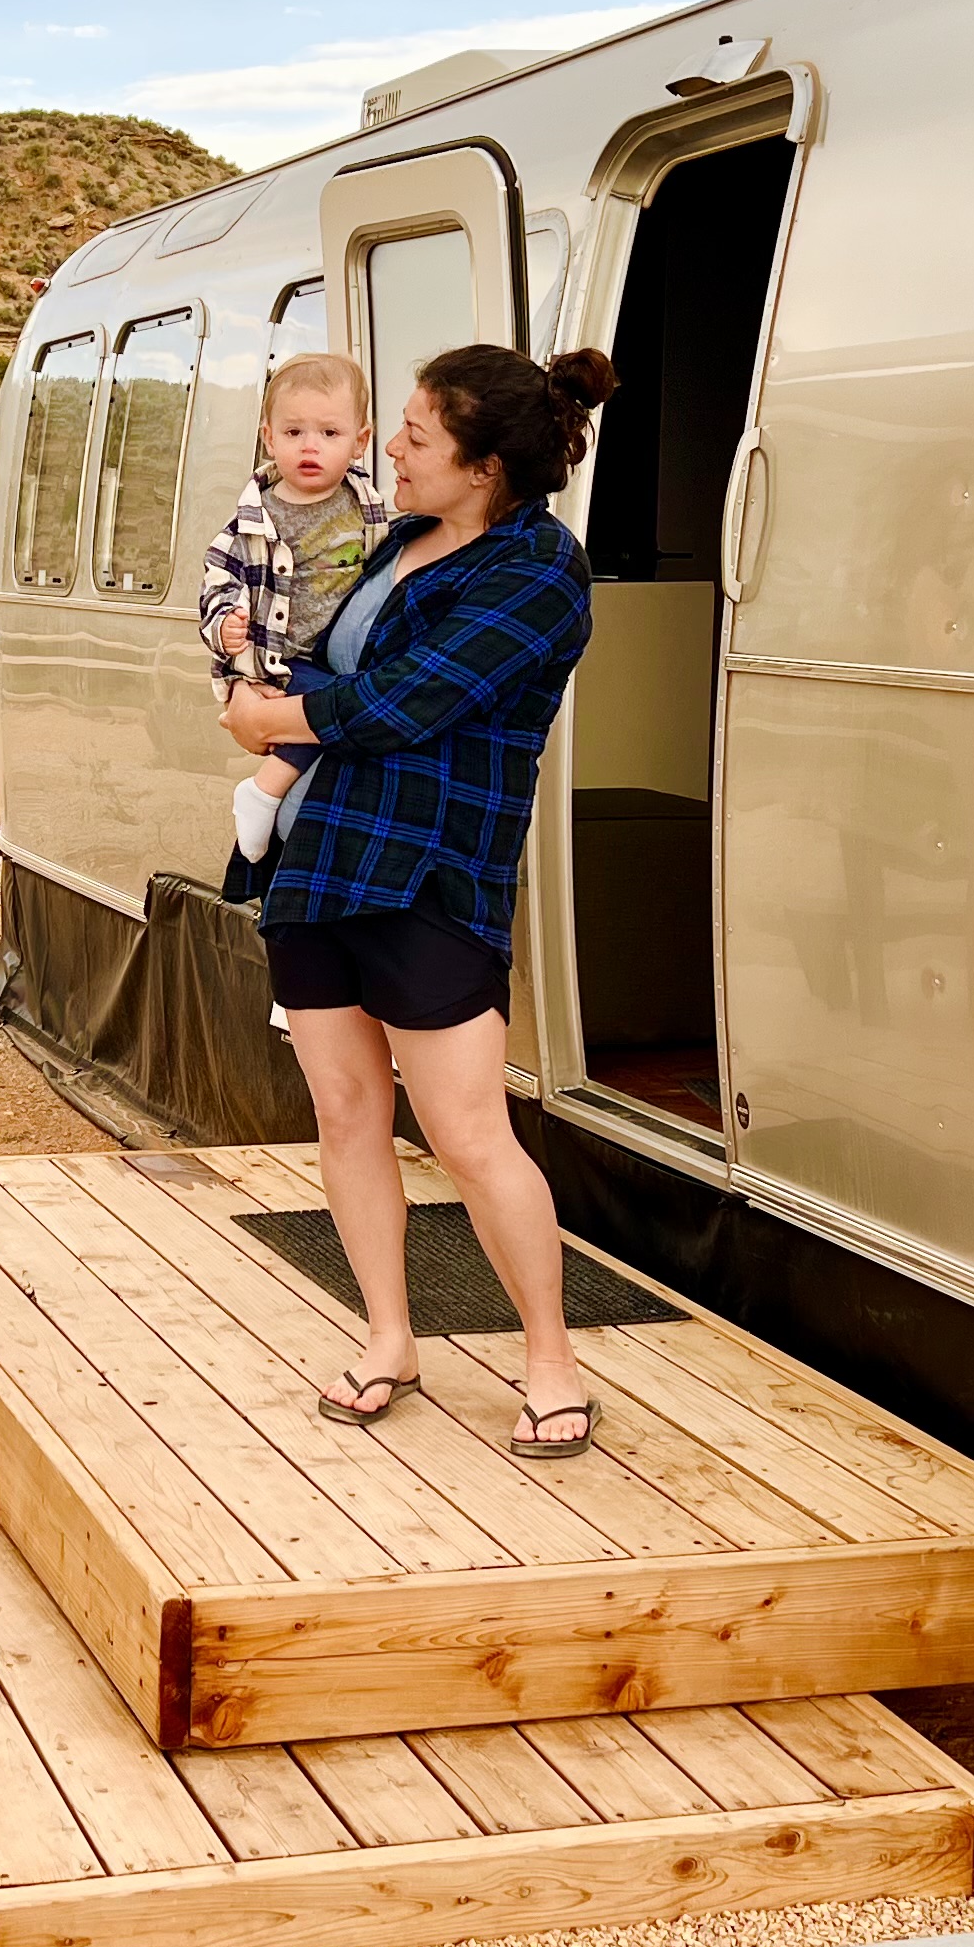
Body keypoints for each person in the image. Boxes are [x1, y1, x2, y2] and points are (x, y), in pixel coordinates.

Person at [217, 342, 614, 1456]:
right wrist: (258, 680)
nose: (388, 447)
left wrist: (273, 721)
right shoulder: (397, 540)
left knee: (468, 1133)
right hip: (323, 864)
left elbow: (412, 700)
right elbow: (333, 668)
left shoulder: (539, 571)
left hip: (432, 872)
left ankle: (551, 1361)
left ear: (484, 467)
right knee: (348, 1116)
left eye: (416, 435)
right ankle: (390, 1338)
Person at [195, 349, 389, 867]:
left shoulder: (367, 506)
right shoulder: (255, 517)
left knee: (339, 705)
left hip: (341, 654)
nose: (310, 446)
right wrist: (225, 624)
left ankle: (273, 799)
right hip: (282, 658)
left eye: (330, 433)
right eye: (294, 431)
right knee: (329, 706)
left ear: (360, 441)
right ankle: (264, 791)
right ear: (269, 437)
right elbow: (218, 576)